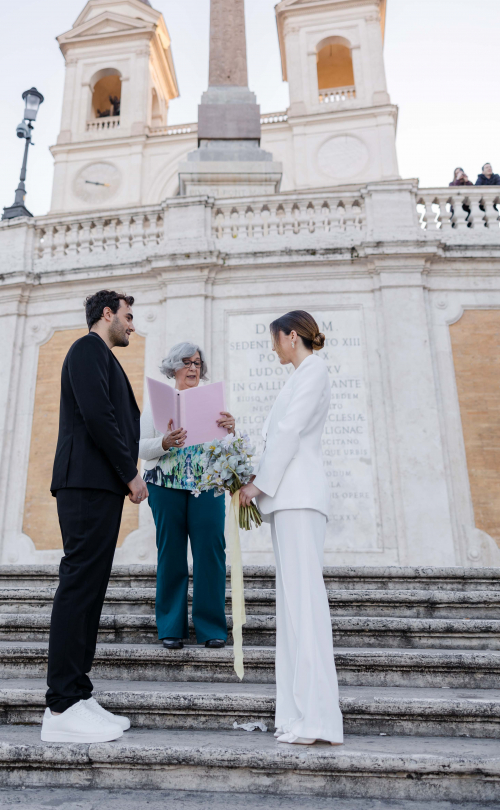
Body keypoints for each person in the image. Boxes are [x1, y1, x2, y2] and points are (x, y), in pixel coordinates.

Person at [41, 290, 148, 744]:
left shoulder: (103, 356)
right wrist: (131, 474)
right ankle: (61, 705)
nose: (132, 325)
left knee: (92, 589)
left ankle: (79, 694)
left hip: (98, 485)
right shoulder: (87, 349)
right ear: (107, 314)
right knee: (79, 585)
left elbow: (117, 421)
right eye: (128, 316)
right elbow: (99, 416)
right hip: (85, 483)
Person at [239, 311, 343, 747]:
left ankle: (318, 719)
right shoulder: (299, 375)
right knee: (292, 609)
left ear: (291, 336)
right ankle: (297, 713)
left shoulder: (313, 371)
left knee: (305, 606)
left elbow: (289, 431)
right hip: (288, 499)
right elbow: (277, 434)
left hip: (299, 497)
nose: (273, 347)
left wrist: (258, 485)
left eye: (275, 339)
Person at [139, 342, 235, 650]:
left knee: (211, 552)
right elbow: (139, 448)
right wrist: (164, 442)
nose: (193, 368)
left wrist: (231, 429)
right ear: (173, 367)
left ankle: (211, 628)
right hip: (164, 486)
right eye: (186, 362)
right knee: (171, 553)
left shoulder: (212, 403)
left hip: (206, 486)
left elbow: (228, 449)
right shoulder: (156, 404)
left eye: (197, 363)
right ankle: (171, 627)